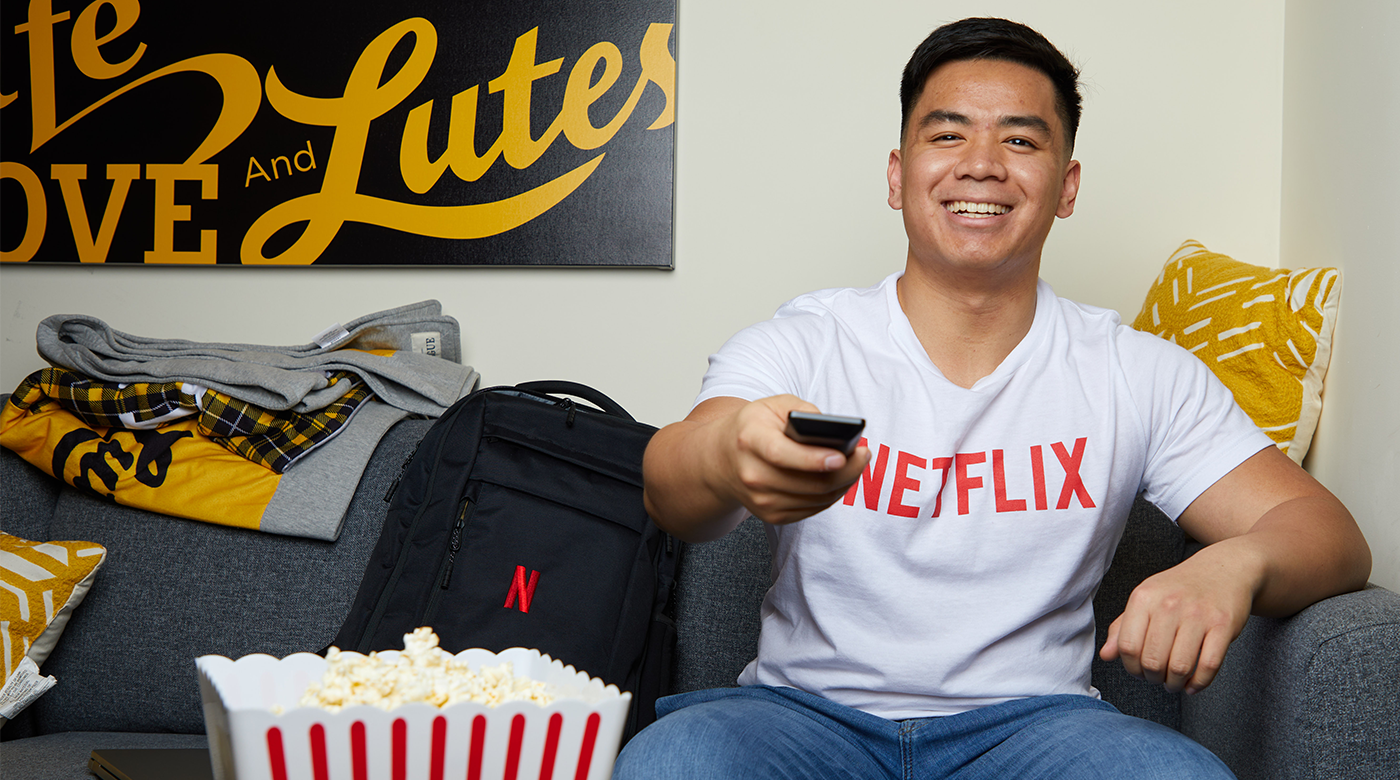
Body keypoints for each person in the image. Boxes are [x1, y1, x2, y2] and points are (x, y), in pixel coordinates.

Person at [612, 16, 1371, 780]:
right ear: (896, 174)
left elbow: (1328, 533)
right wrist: (727, 454)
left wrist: (1235, 564)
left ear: (1066, 186)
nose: (981, 166)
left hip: (1038, 730)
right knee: (673, 761)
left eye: (1020, 140)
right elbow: (671, 487)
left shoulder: (1136, 372)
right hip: (801, 718)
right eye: (946, 137)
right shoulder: (803, 343)